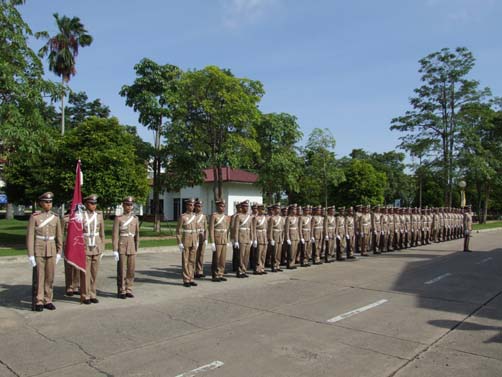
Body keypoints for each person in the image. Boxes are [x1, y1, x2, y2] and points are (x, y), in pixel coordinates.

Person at [26, 192, 63, 311]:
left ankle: (48, 300)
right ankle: (39, 300)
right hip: (39, 248)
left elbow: (59, 236)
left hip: (51, 249)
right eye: (46, 202)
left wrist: (59, 252)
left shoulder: (56, 217)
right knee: (39, 276)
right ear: (41, 203)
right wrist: (31, 254)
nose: (48, 204)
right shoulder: (35, 217)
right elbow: (30, 236)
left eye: (50, 202)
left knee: (50, 276)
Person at [113, 196, 140, 298]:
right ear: (123, 205)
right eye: (127, 204)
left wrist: (136, 247)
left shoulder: (135, 219)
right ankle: (121, 290)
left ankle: (129, 288)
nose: (129, 207)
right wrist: (115, 249)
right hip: (122, 246)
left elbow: (137, 235)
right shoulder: (119, 218)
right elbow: (115, 235)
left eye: (131, 205)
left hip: (131, 247)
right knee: (122, 270)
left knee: (131, 269)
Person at [81, 194, 105, 304]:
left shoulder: (99, 216)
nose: (94, 205)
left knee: (94, 272)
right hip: (85, 245)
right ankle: (85, 295)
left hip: (96, 246)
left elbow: (102, 233)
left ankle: (92, 293)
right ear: (86, 204)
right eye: (91, 203)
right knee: (85, 273)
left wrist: (102, 247)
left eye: (95, 203)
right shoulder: (81, 216)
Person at [176, 198, 199, 287]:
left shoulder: (195, 216)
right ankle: (186, 279)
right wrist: (179, 242)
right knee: (185, 260)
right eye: (190, 205)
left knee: (192, 260)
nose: (192, 207)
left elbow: (196, 229)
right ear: (187, 205)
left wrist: (197, 241)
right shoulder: (183, 216)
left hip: (193, 240)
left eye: (193, 205)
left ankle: (191, 278)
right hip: (186, 240)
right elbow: (178, 230)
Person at [209, 199, 230, 282]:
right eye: (221, 206)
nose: (223, 207)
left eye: (224, 206)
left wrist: (227, 240)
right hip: (217, 238)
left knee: (222, 258)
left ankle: (221, 273)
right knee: (216, 258)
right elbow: (211, 229)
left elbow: (227, 229)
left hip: (224, 239)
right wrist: (212, 242)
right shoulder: (214, 216)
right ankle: (215, 274)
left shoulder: (226, 217)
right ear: (217, 206)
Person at [232, 200, 253, 278]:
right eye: (244, 206)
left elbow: (251, 228)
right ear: (242, 207)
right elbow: (236, 229)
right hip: (241, 238)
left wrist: (251, 239)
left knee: (246, 256)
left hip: (247, 238)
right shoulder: (238, 216)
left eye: (247, 206)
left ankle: (244, 270)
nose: (246, 208)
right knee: (241, 256)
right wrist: (236, 240)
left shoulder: (249, 217)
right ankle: (239, 271)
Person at [252, 204, 268, 274]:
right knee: (258, 253)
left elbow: (266, 228)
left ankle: (262, 268)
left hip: (264, 237)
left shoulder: (265, 218)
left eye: (263, 209)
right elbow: (253, 229)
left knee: (263, 254)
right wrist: (254, 239)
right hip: (259, 236)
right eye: (261, 209)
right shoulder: (255, 218)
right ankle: (257, 268)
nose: (263, 210)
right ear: (258, 210)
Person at [268, 203, 284, 272]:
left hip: (280, 236)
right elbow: (270, 229)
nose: (278, 210)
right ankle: (273, 266)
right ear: (274, 210)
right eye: (277, 208)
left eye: (279, 208)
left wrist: (283, 238)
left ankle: (278, 265)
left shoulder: (281, 218)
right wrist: (271, 238)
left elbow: (283, 229)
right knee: (274, 252)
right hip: (275, 236)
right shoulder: (272, 218)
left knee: (279, 252)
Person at [194, 199, 208, 279]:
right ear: (195, 207)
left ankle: (200, 271)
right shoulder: (193, 216)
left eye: (201, 206)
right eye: (198, 206)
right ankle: (193, 271)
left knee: (201, 255)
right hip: (194, 237)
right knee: (194, 255)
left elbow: (206, 228)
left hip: (202, 237)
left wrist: (206, 238)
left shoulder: (203, 216)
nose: (200, 208)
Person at [285, 204, 300, 269]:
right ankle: (289, 264)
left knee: (295, 250)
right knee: (291, 251)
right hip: (291, 236)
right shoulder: (288, 218)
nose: (295, 210)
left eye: (295, 209)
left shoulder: (296, 218)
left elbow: (298, 228)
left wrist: (299, 236)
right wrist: (287, 238)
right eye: (293, 209)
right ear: (290, 210)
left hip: (296, 235)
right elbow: (287, 229)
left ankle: (293, 263)